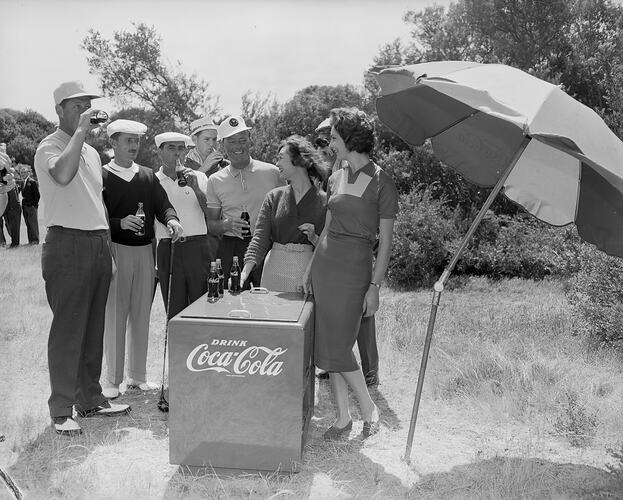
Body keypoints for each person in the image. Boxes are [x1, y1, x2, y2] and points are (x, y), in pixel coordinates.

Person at [34, 80, 131, 436]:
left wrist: (107, 247)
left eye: (88, 105)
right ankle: (61, 409)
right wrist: (79, 133)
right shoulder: (50, 146)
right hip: (66, 243)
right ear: (59, 109)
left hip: (97, 242)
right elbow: (62, 174)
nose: (85, 111)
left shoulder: (91, 152)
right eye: (77, 106)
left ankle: (89, 399)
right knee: (68, 328)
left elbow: (96, 201)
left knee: (93, 327)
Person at [304, 108, 399, 440]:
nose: (329, 142)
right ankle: (344, 417)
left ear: (349, 138)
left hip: (356, 267)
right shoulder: (334, 176)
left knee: (340, 347)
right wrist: (311, 265)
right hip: (326, 266)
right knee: (327, 344)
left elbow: (386, 242)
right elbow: (327, 227)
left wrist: (375, 286)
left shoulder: (382, 181)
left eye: (333, 136)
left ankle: (368, 408)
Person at [102, 120, 183, 399]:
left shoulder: (148, 176)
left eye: (137, 141)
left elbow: (163, 205)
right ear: (113, 143)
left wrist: (172, 221)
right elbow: (98, 218)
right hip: (116, 250)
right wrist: (119, 222)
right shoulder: (102, 175)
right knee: (115, 314)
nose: (134, 146)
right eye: (128, 140)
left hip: (145, 251)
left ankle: (137, 376)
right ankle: (112, 379)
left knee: (141, 314)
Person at [315, 117, 381, 387]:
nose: (326, 144)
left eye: (329, 138)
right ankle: (337, 365)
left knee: (363, 316)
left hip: (359, 250)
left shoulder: (373, 175)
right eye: (322, 138)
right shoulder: (335, 170)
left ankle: (369, 369)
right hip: (333, 251)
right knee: (337, 316)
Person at [241, 135, 328, 291]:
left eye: (281, 158)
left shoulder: (325, 201)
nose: (277, 163)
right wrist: (245, 271)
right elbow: (260, 238)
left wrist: (314, 238)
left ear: (299, 160)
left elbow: (330, 245)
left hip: (307, 272)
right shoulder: (274, 197)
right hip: (274, 270)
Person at [205, 115, 282, 288]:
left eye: (242, 140)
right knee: (233, 303)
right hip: (231, 248)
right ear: (222, 145)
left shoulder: (273, 173)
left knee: (268, 303)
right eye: (231, 141)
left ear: (250, 140)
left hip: (267, 247)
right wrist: (227, 224)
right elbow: (211, 225)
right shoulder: (215, 180)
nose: (238, 146)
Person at [154, 131, 213, 318]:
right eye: (171, 148)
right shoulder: (152, 180)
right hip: (168, 247)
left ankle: (200, 346)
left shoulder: (200, 177)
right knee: (174, 309)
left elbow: (211, 214)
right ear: (159, 152)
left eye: (181, 148)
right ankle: (177, 347)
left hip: (198, 247)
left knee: (202, 306)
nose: (177, 153)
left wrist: (195, 187)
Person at [20, 165, 40, 244]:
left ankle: (35, 241)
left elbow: (37, 195)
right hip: (25, 207)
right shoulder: (22, 183)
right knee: (28, 224)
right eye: (22, 172)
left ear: (28, 173)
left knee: (33, 225)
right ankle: (31, 241)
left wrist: (34, 205)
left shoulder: (32, 182)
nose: (23, 174)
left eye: (24, 172)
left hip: (31, 207)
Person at [2, 167, 21, 248]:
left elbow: (13, 199)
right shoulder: (5, 185)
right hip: (7, 209)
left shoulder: (11, 185)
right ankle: (13, 243)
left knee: (14, 228)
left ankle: (15, 244)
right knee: (10, 227)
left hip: (14, 209)